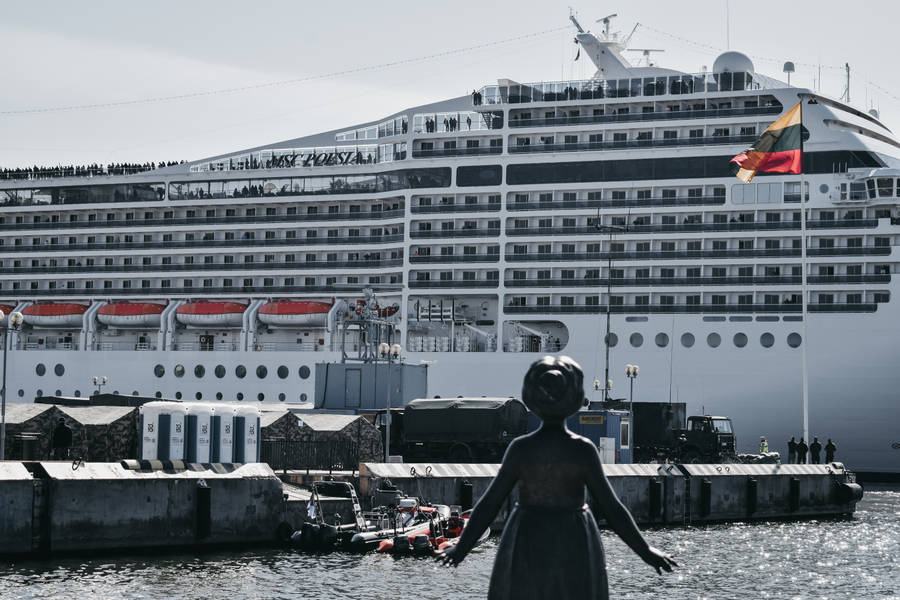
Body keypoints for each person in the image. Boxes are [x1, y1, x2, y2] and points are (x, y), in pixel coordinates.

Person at [437, 356, 676, 599]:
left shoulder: (522, 449)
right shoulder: (582, 450)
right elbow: (612, 507)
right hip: (573, 535)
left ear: (531, 398)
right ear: (575, 399)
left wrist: (461, 549)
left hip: (528, 532)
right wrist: (645, 551)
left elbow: (490, 503)